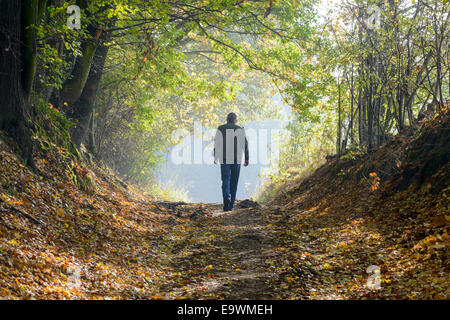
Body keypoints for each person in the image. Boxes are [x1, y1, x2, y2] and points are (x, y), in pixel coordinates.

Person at [213, 112, 249, 211]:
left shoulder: (221, 128)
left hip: (224, 158)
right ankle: (231, 205)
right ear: (236, 120)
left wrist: (215, 156)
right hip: (236, 159)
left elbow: (217, 143)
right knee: (234, 181)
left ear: (227, 119)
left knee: (225, 179)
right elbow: (245, 144)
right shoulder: (240, 129)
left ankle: (226, 197)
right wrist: (246, 158)